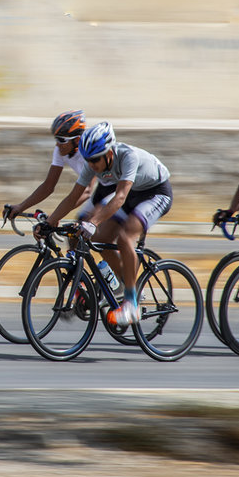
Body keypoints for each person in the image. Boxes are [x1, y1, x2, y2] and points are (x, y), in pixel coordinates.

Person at [43, 121, 173, 326]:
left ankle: (131, 303)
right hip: (134, 194)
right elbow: (73, 197)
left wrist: (93, 221)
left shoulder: (128, 156)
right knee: (101, 237)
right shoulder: (92, 164)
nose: (91, 165)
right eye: (88, 160)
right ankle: (125, 283)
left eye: (95, 159)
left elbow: (119, 197)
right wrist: (50, 222)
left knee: (125, 236)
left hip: (156, 193)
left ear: (109, 153)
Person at [4, 110, 94, 220]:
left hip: (114, 188)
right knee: (78, 231)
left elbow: (87, 191)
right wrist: (20, 207)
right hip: (101, 191)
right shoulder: (60, 150)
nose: (57, 144)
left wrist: (56, 216)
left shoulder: (90, 150)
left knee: (92, 228)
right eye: (56, 138)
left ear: (77, 140)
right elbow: (48, 186)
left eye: (61, 140)